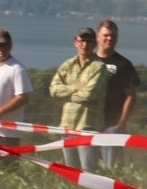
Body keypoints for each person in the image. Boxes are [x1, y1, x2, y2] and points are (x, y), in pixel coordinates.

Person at [49, 27, 108, 172]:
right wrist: (75, 88)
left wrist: (66, 92)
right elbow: (53, 89)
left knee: (88, 172)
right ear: (75, 42)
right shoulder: (67, 65)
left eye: (89, 41)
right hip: (67, 127)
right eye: (82, 41)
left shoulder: (99, 67)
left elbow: (89, 94)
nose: (85, 45)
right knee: (71, 172)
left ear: (94, 44)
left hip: (87, 127)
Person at [93, 19, 140, 169]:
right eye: (105, 35)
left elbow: (131, 96)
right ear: (98, 37)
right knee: (90, 167)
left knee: (113, 168)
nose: (109, 38)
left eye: (113, 35)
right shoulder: (89, 61)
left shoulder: (124, 64)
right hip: (90, 124)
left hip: (112, 126)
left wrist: (120, 124)